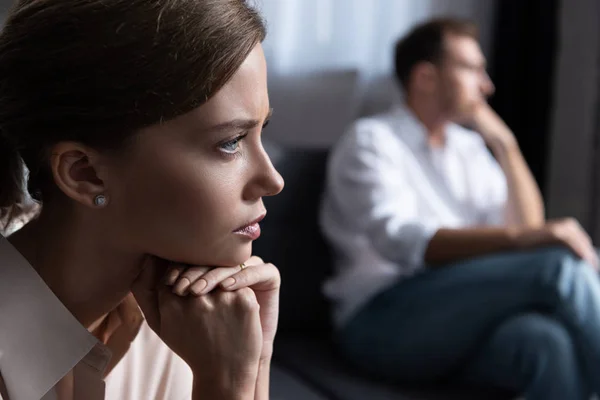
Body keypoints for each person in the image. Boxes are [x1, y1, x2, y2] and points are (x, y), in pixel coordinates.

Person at [0, 0, 285, 399]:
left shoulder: (193, 322)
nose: (273, 180)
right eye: (230, 142)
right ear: (85, 173)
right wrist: (225, 386)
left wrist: (256, 357)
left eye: (260, 132)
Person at [320, 17, 600, 400]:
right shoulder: (371, 141)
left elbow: (525, 230)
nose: (487, 85)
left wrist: (506, 145)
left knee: (545, 342)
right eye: (471, 69)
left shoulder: (469, 149)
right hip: (380, 321)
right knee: (558, 268)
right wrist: (531, 240)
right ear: (426, 78)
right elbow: (401, 242)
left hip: (456, 319)